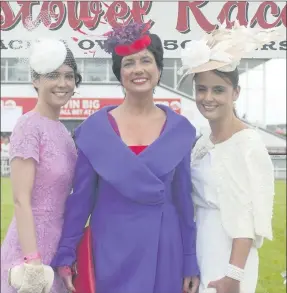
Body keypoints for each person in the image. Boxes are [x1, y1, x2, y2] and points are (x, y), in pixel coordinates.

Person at [51, 23, 200, 293]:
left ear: (158, 68)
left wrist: (190, 259)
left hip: (164, 250)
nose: (138, 69)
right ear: (119, 72)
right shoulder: (94, 131)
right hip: (109, 248)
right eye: (129, 63)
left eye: (146, 60)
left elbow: (184, 203)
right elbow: (81, 199)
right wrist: (65, 253)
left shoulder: (180, 130)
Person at [178, 22, 283, 293]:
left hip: (228, 258)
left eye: (218, 90)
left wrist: (233, 275)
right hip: (199, 245)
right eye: (201, 89)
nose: (208, 97)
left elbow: (247, 216)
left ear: (235, 93)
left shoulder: (247, 144)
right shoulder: (203, 141)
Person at [1, 38, 82, 293]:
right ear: (35, 79)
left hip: (56, 248)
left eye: (69, 76)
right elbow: (21, 200)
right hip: (28, 252)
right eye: (53, 75)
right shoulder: (28, 126)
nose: (62, 83)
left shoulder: (64, 134)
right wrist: (32, 261)